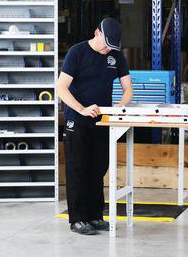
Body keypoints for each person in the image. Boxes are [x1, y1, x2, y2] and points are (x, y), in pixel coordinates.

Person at [56, 17, 133, 235]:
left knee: (98, 168)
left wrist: (121, 104)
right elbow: (61, 88)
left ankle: (95, 215)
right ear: (97, 33)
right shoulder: (77, 52)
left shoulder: (116, 55)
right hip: (77, 120)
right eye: (106, 45)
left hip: (102, 120)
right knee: (78, 169)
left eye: (112, 47)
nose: (108, 50)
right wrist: (81, 109)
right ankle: (78, 219)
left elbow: (128, 88)